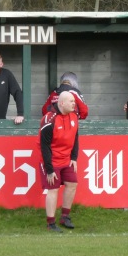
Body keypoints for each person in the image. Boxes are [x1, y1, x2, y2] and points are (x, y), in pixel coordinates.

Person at [38, 91, 79, 232]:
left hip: (66, 159)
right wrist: (49, 169)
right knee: (53, 189)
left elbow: (76, 137)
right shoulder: (49, 120)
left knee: (72, 184)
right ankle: (51, 223)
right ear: (62, 103)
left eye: (74, 101)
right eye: (71, 101)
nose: (74, 103)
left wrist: (74, 158)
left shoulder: (74, 116)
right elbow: (44, 146)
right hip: (52, 160)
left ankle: (65, 216)